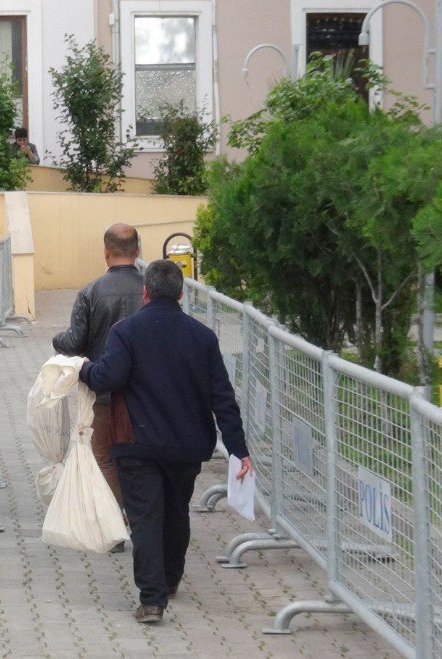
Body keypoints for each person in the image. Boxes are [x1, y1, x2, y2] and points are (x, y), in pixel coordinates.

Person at [79, 259, 253, 625]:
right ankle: (171, 579)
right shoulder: (203, 337)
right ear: (181, 293)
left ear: (145, 292)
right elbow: (223, 397)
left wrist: (81, 369)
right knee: (176, 512)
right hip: (187, 447)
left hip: (136, 443)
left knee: (145, 519)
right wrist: (238, 449)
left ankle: (152, 600)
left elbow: (108, 377)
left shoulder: (126, 332)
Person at [52, 224, 144, 519]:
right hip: (147, 392)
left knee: (104, 456)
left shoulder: (91, 291)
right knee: (143, 457)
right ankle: (144, 517)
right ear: (138, 250)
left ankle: (113, 522)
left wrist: (56, 340)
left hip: (102, 390)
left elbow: (74, 342)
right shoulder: (150, 288)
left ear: (105, 252)